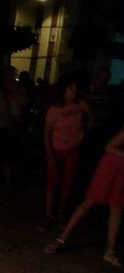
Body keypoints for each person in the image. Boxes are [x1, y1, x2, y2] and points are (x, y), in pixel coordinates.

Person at [44, 124, 124, 267]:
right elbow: (109, 146)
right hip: (111, 166)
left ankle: (109, 251)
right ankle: (61, 239)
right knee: (89, 202)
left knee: (117, 207)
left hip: (122, 171)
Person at [44, 75, 91, 227]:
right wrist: (50, 154)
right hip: (57, 148)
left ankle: (61, 213)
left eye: (75, 89)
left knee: (67, 183)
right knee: (52, 183)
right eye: (71, 88)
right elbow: (47, 133)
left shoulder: (81, 105)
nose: (74, 91)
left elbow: (91, 118)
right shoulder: (55, 109)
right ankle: (48, 214)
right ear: (63, 90)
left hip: (72, 148)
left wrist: (84, 130)